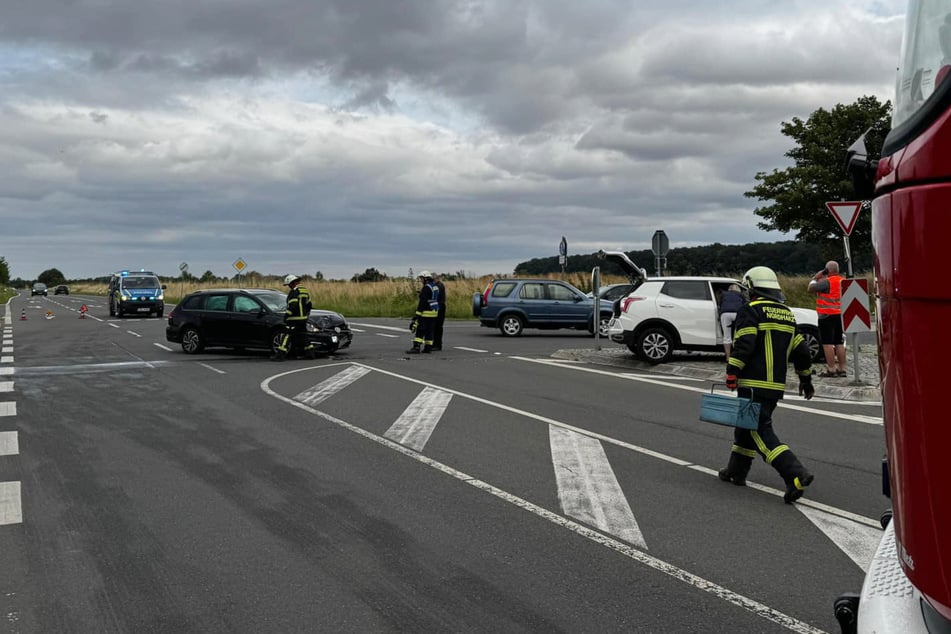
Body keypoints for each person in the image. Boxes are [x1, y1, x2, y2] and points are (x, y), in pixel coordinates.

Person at [718, 266, 816, 504]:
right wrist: (806, 379)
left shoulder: (750, 311)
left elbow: (745, 343)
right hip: (774, 387)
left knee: (758, 429)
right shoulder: (787, 313)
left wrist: (732, 371)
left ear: (751, 288)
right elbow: (802, 351)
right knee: (745, 427)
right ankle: (736, 471)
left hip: (752, 383)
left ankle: (795, 474)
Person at [807, 260, 847, 377]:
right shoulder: (843, 281)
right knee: (839, 342)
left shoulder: (826, 282)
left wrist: (815, 277)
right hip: (839, 315)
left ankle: (831, 369)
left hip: (826, 315)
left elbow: (810, 288)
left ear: (827, 270)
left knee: (827, 343)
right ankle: (842, 368)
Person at [272, 274, 315, 361]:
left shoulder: (294, 292)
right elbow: (309, 305)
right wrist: (306, 316)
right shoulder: (304, 291)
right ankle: (310, 353)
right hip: (303, 319)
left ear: (293, 283)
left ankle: (280, 355)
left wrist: (287, 316)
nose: (289, 287)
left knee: (286, 335)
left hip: (294, 319)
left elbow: (292, 305)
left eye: (289, 285)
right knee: (304, 336)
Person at [406, 271, 439, 354]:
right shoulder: (435, 287)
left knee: (420, 330)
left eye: (421, 278)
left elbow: (422, 303)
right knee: (430, 331)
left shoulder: (426, 288)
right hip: (434, 313)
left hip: (425, 313)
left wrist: (416, 315)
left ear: (425, 278)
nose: (420, 280)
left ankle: (416, 347)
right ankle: (428, 347)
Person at [717, 283, 746, 358]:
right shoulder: (741, 295)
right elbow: (745, 306)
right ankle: (737, 356)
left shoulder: (724, 294)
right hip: (737, 314)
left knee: (727, 336)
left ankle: (728, 357)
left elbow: (719, 304)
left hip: (725, 314)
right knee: (739, 335)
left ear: (729, 289)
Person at [432, 274, 446, 351]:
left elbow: (436, 297)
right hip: (440, 306)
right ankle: (436, 344)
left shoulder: (438, 286)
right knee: (437, 327)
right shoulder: (439, 285)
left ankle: (437, 345)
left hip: (439, 307)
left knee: (437, 327)